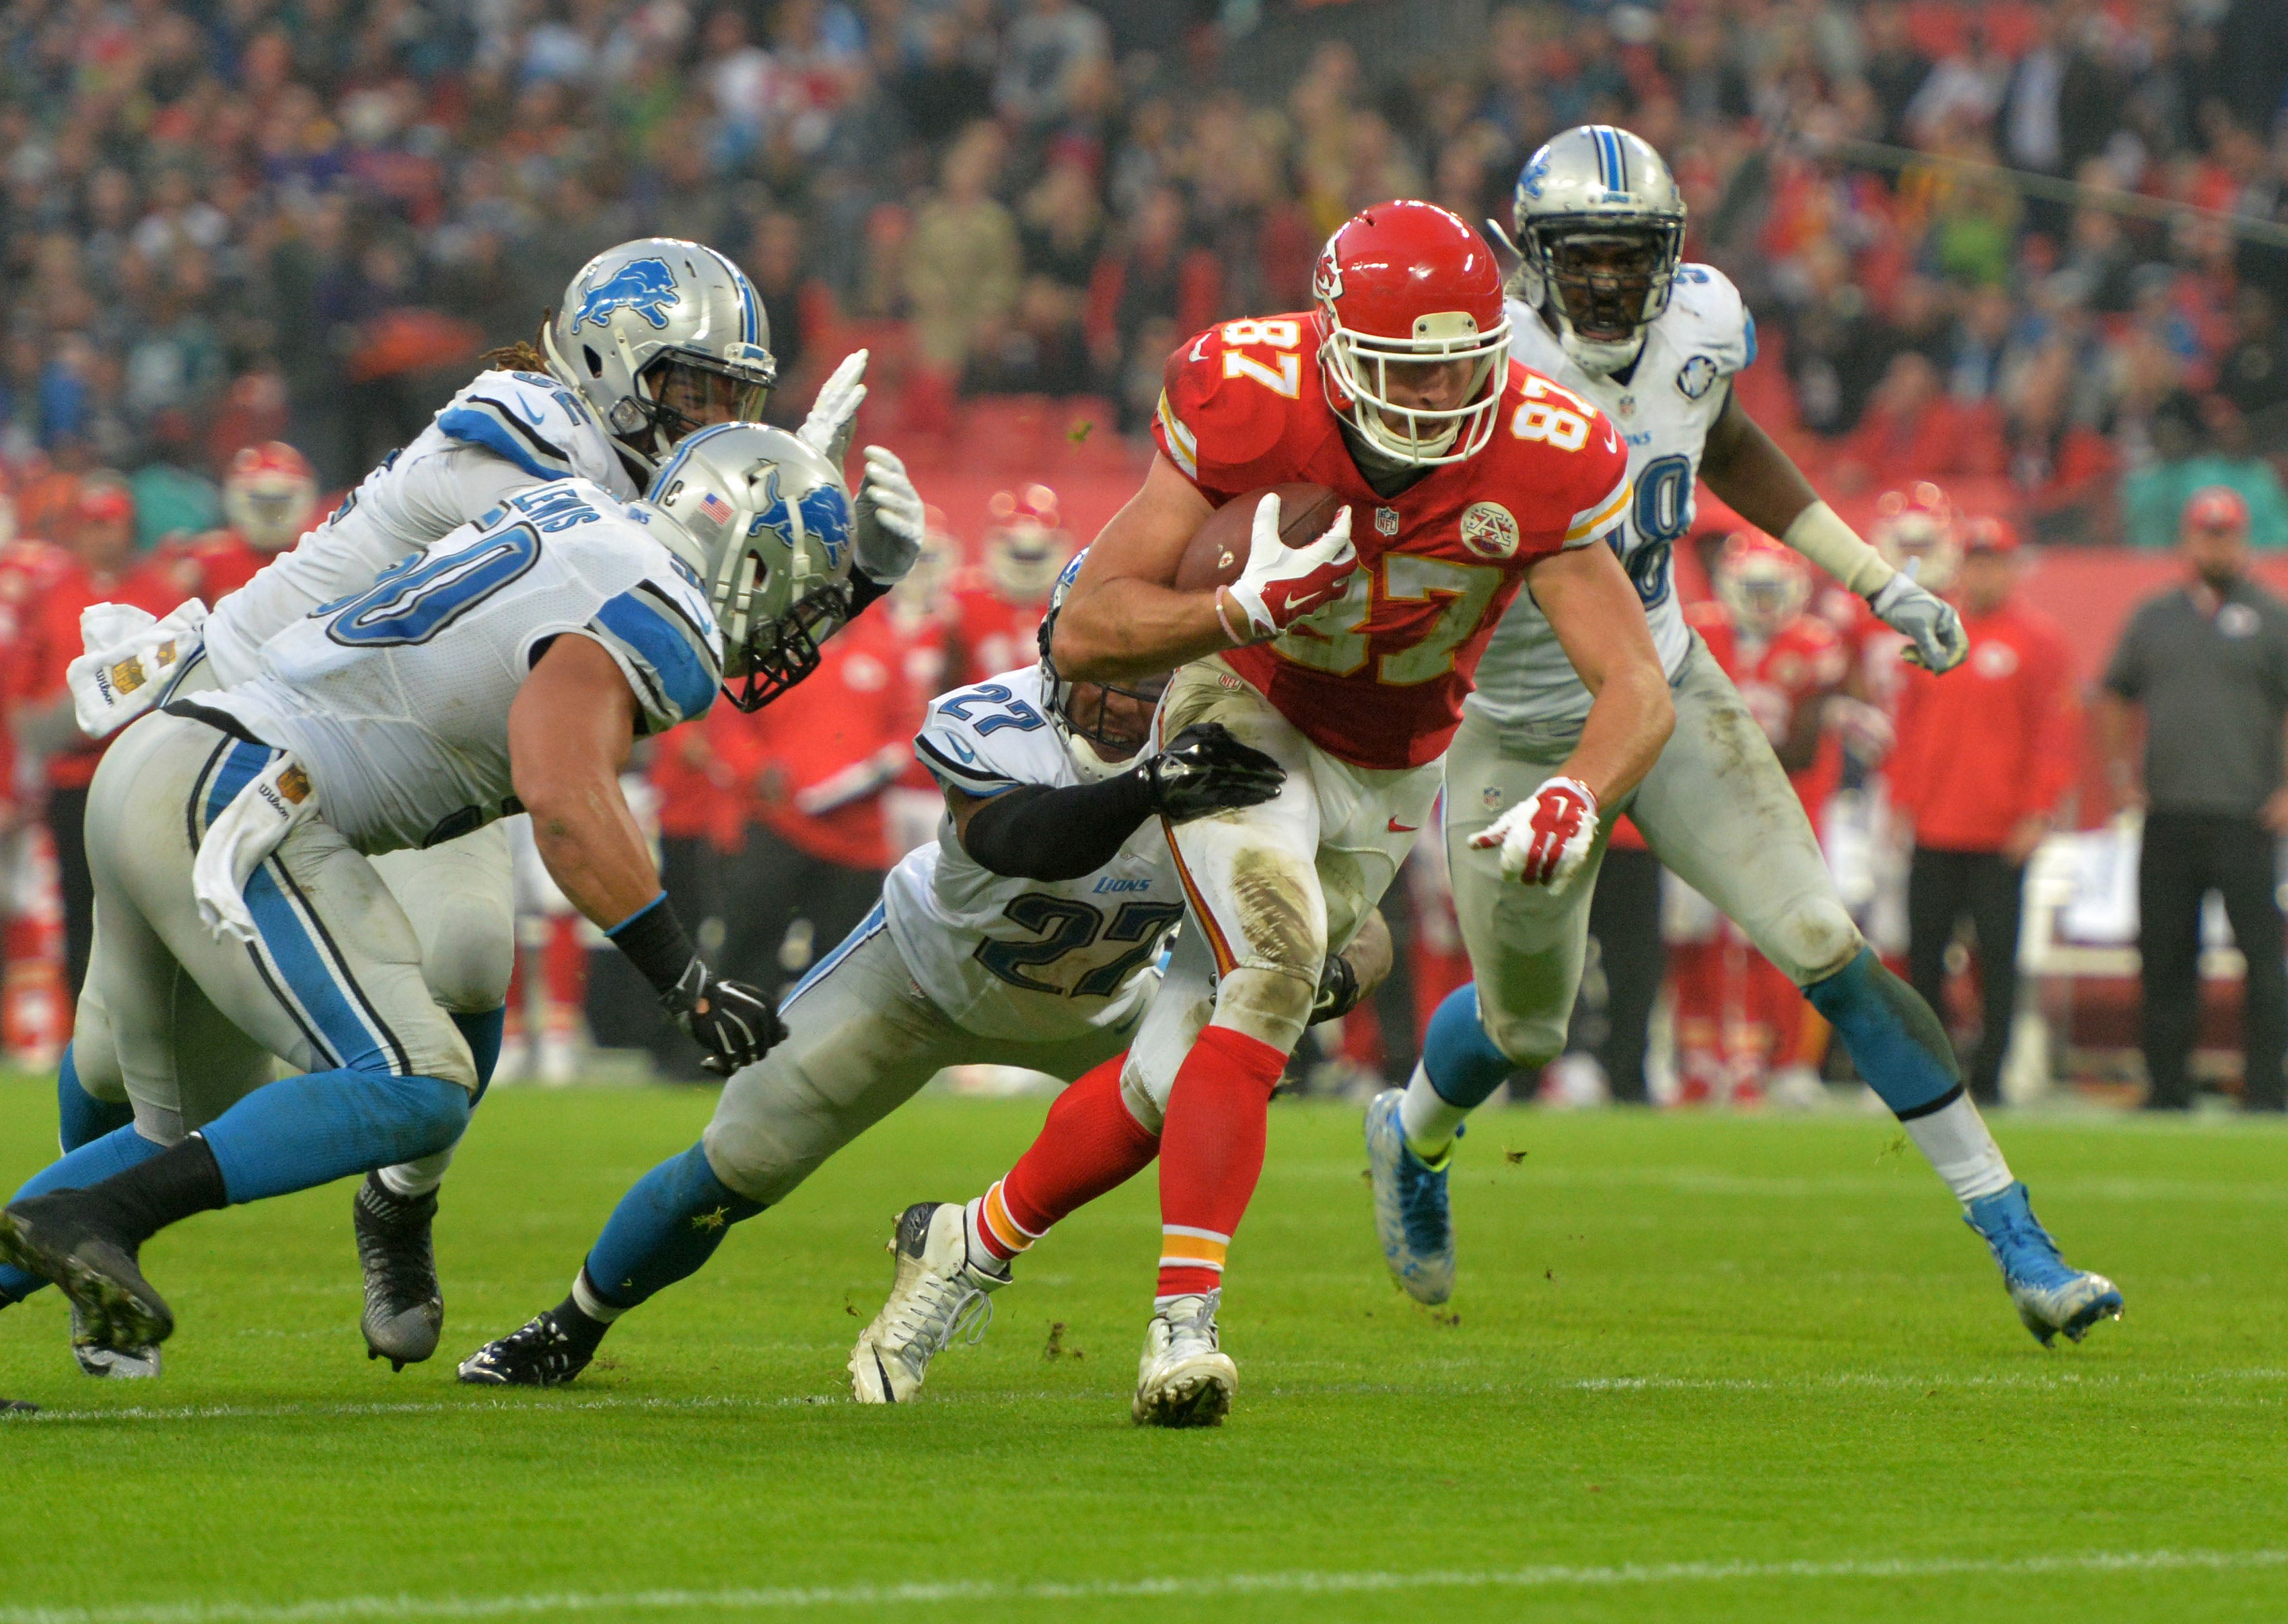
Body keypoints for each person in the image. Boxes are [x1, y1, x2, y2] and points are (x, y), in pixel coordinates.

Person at [50, 238, 925, 1376]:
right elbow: (643, 600)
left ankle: (397, 1205)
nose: (710, 416)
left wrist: (809, 552)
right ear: (612, 361)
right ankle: (93, 1245)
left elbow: (678, 630)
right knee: (134, 1064)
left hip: (403, 747)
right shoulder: (525, 423)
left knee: (463, 959)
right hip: (259, 714)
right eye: (696, 389)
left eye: (735, 399)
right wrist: (764, 507)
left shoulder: (620, 503)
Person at [1367, 127, 2118, 1349]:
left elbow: (1722, 446)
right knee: (1527, 1026)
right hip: (1519, 725)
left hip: (1667, 687)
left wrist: (1873, 576)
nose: (1610, 284)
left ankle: (2019, 1238)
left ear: (1673, 259)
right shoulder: (1480, 362)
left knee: (1826, 938)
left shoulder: (1700, 329)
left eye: (1632, 258)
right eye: (1584, 258)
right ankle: (1413, 1134)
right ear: (1531, 260)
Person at [1044, 198, 1674, 1426]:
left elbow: (1638, 685)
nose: (1442, 392)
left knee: (1172, 1077)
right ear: (1335, 348)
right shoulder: (1247, 393)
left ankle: (968, 1241)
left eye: (1462, 359)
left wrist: (1577, 787)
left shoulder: (1544, 442)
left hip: (1394, 765)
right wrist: (1231, 614)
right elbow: (1085, 625)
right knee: (1271, 978)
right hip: (1250, 703)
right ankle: (1183, 1325)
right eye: (1408, 364)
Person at [454, 554, 1302, 1389]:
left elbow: (1345, 917)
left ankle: (1135, 1303)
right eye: (1109, 671)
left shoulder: (1239, 752)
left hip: (1101, 999)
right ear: (1057, 649)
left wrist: (1315, 968)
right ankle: (570, 1325)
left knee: (1217, 1087)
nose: (1123, 701)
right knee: (737, 1160)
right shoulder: (994, 719)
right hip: (914, 979)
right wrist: (1149, 787)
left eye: (1150, 678)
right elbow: (1022, 840)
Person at [2096, 486, 2288, 1112]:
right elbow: (2114, 693)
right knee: (2166, 955)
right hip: (2170, 813)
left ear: (2245, 540)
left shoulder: (2273, 616)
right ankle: (2167, 1086)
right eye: (2207, 533)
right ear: (2187, 540)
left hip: (2246, 813)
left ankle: (2264, 1086)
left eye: (2227, 533)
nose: (2217, 544)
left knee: (2263, 956)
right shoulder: (2155, 617)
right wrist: (2123, 775)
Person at [1892, 516, 2076, 1106]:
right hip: (1935, 826)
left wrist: (2037, 811)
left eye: (1995, 561)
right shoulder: (1933, 632)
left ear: (2012, 567)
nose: (1985, 572)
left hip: (2000, 833)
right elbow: (1910, 724)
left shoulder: (2039, 641)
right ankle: (1929, 1074)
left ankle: (1993, 1077)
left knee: (1997, 960)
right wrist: (1903, 801)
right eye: (1976, 560)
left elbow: (2054, 733)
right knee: (1924, 957)